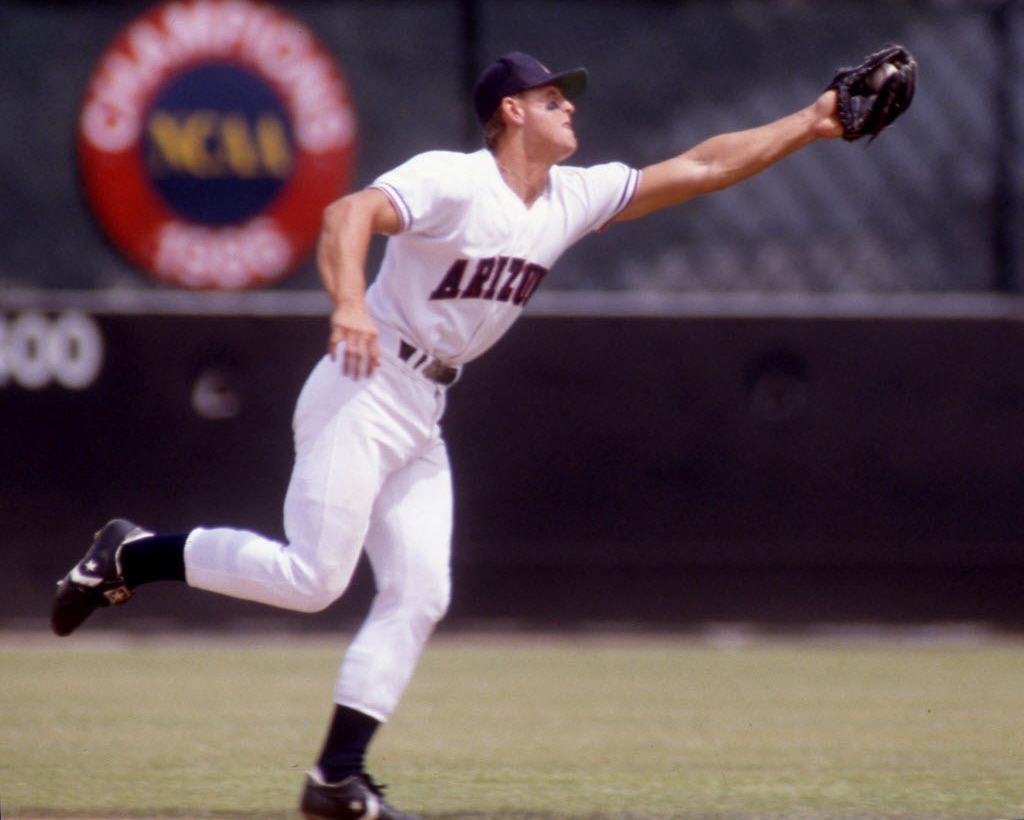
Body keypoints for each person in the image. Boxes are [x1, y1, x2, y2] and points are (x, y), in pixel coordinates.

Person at [51, 51, 844, 820]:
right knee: (313, 579)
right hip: (363, 387)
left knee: (422, 591)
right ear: (511, 111)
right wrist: (349, 304)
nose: (570, 107)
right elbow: (347, 212)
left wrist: (810, 122)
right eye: (552, 97)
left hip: (424, 409)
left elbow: (702, 167)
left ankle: (337, 776)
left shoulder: (570, 196)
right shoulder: (454, 178)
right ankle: (131, 554)